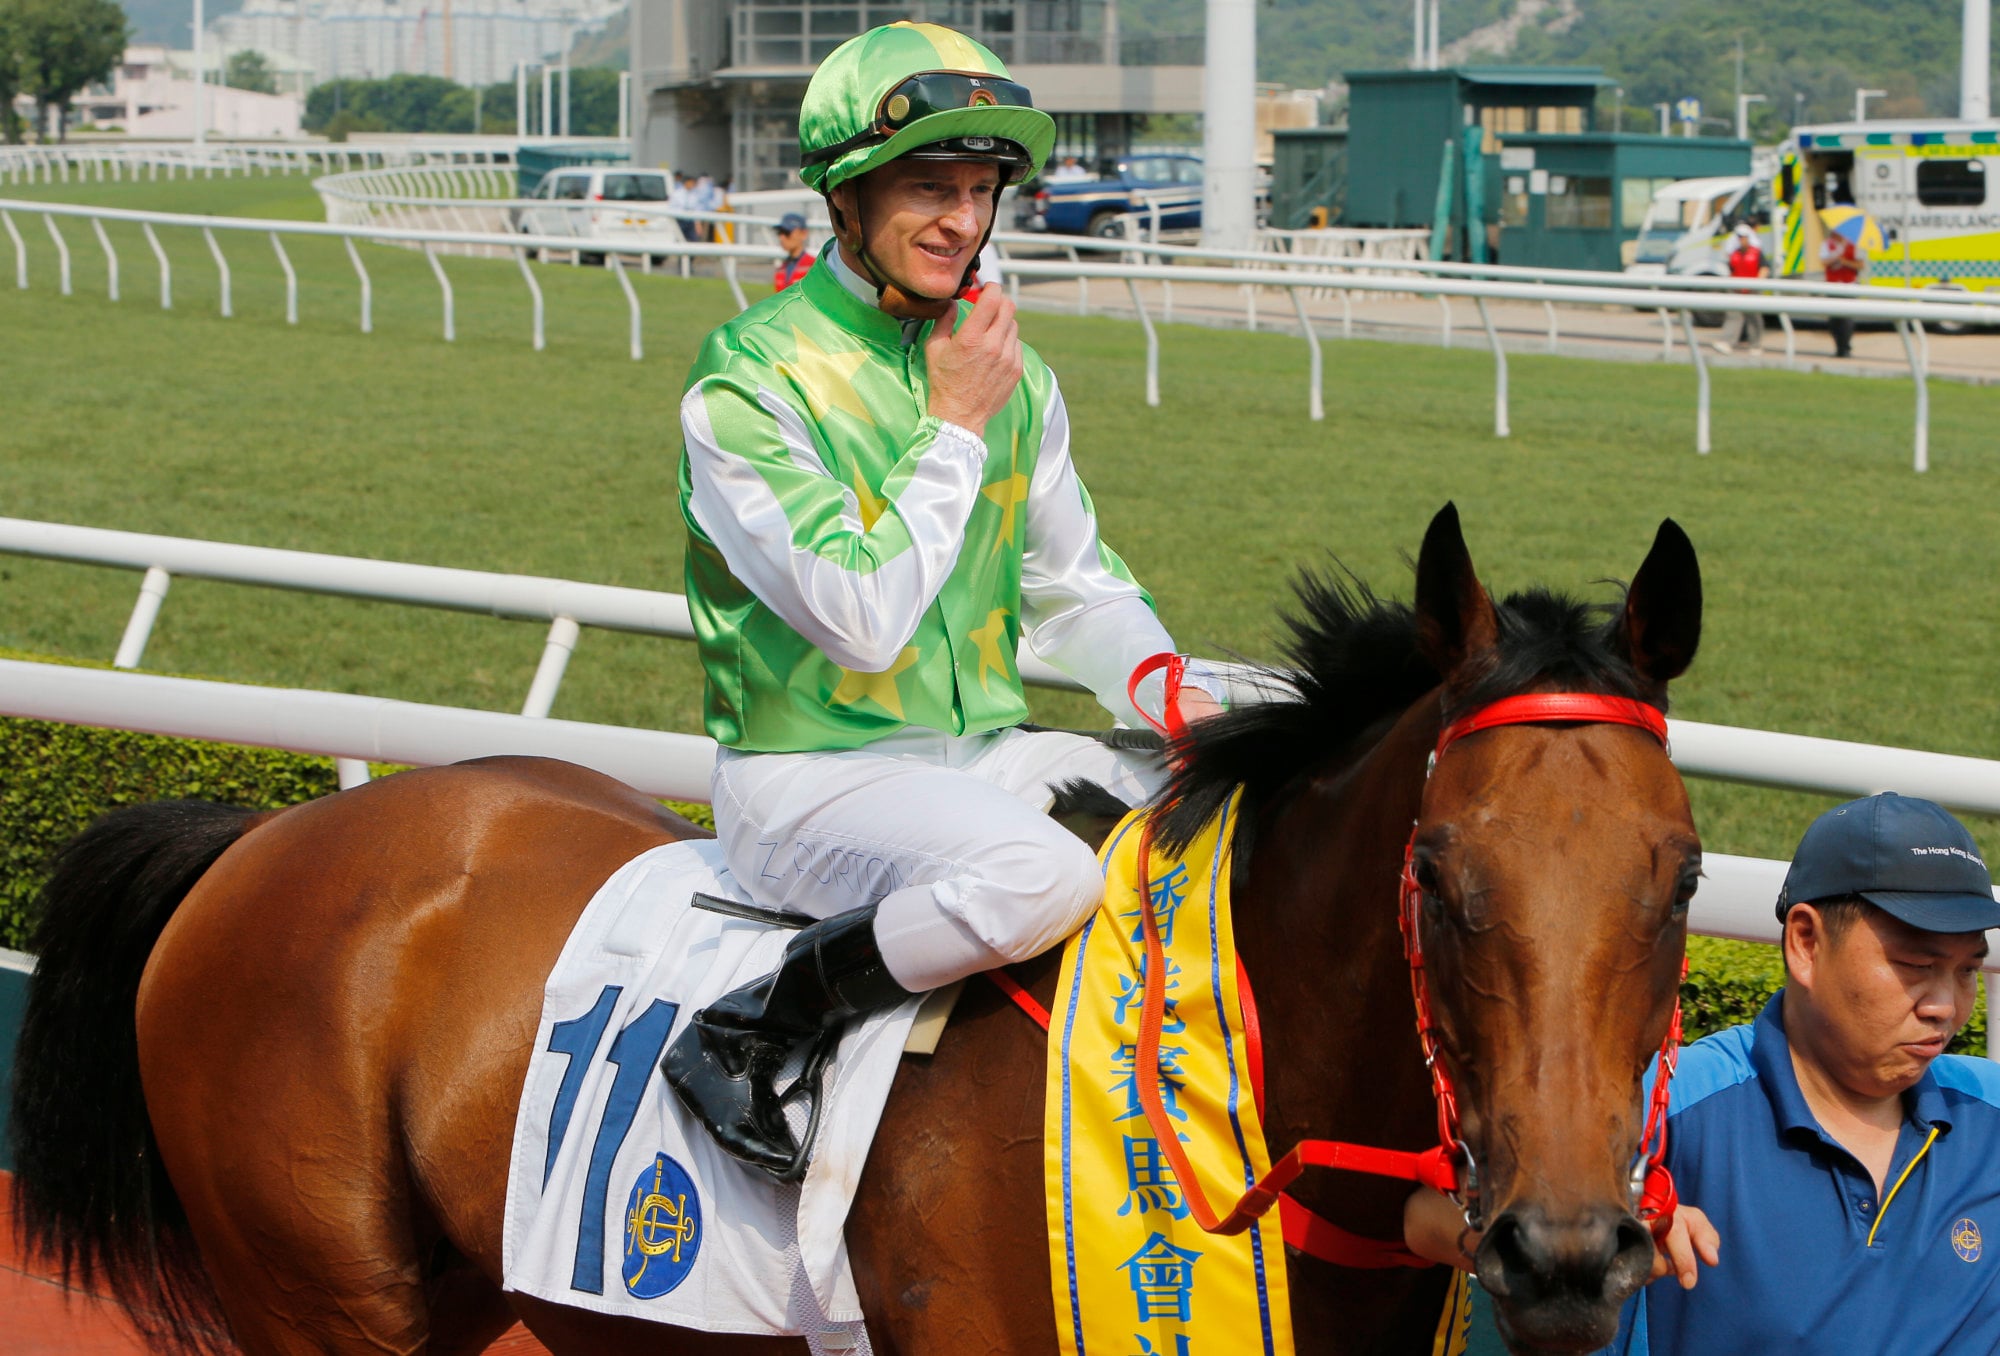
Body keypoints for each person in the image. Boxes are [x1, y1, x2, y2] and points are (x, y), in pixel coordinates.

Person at [664, 20, 1224, 1181]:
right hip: (805, 782)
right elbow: (858, 615)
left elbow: (1073, 586)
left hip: (975, 757)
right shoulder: (748, 381)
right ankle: (758, 1024)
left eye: (978, 190)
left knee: (1229, 812)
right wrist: (955, 421)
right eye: (927, 187)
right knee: (1045, 876)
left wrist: (1177, 697)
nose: (961, 222)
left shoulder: (1007, 371)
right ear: (844, 200)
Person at [1718, 223, 1766, 353]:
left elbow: (1764, 268)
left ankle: (1755, 345)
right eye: (1739, 237)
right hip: (1737, 288)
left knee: (1754, 318)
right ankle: (1727, 342)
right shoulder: (1734, 254)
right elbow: (1731, 270)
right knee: (1733, 316)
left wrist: (1757, 284)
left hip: (1752, 288)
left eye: (1744, 237)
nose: (1741, 240)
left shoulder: (1756, 253)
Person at [1822, 228, 1863, 357]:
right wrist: (1835, 259)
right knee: (1834, 320)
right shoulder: (1827, 244)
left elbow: (1860, 265)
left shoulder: (1853, 245)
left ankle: (1845, 347)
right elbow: (1823, 262)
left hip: (1849, 285)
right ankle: (1839, 345)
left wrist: (1845, 262)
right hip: (1833, 285)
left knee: (1847, 319)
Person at [771, 211, 815, 290]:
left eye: (787, 232)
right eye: (780, 233)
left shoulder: (814, 266)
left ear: (803, 234)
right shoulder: (780, 270)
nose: (782, 237)